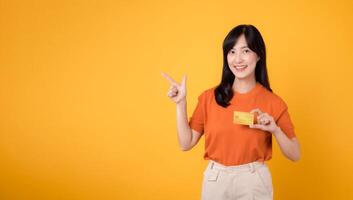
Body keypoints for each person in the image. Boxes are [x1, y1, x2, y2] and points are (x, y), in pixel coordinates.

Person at [161, 24, 301, 200]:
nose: (238, 59)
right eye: (232, 52)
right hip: (216, 180)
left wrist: (275, 130)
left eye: (245, 51)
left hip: (253, 182)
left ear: (258, 55)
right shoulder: (209, 97)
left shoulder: (273, 102)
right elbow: (186, 143)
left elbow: (295, 154)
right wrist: (180, 104)